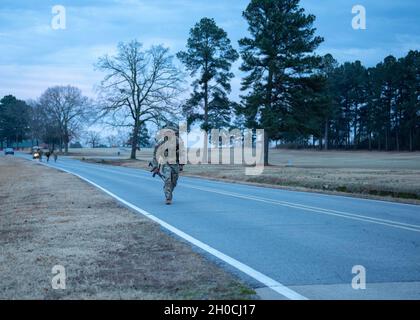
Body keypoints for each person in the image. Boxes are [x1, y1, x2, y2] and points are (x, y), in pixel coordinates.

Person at [151, 125, 185, 205]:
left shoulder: (178, 142)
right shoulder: (161, 142)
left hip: (175, 164)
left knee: (174, 181)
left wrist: (181, 165)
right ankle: (168, 197)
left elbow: (182, 154)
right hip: (165, 163)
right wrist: (155, 166)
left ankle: (168, 190)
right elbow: (155, 155)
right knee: (167, 180)